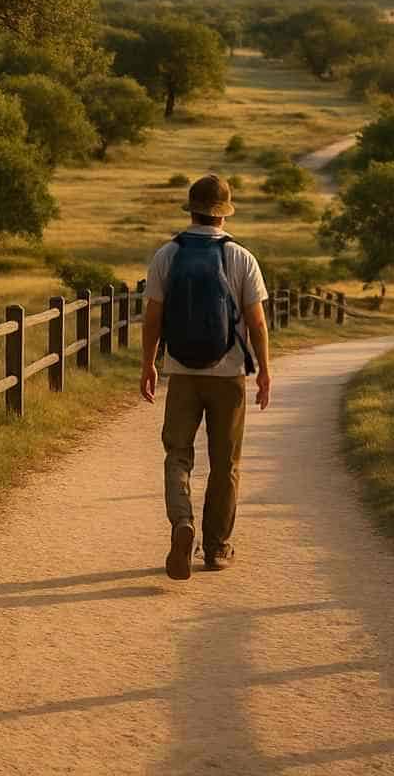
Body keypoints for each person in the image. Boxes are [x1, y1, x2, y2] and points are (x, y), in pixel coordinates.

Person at [140, 174, 271, 580]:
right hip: (228, 375)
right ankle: (216, 548)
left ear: (191, 208)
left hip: (181, 372)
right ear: (224, 213)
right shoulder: (242, 258)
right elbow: (258, 321)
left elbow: (153, 316)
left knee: (177, 454)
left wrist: (148, 363)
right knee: (224, 463)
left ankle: (182, 521)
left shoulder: (167, 254)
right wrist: (264, 370)